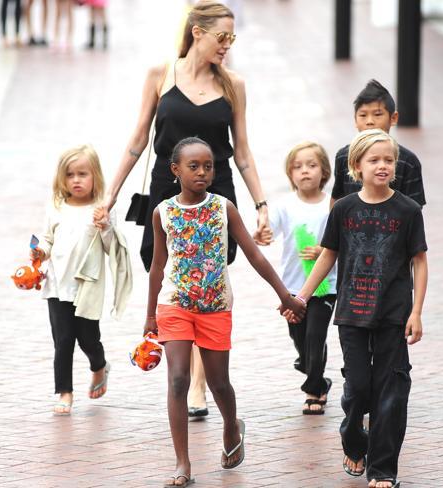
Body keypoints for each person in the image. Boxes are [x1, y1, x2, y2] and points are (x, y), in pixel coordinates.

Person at [96, 0, 271, 419]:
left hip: (216, 195)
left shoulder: (234, 84)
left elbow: (242, 152)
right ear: (197, 32)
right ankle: (182, 367)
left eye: (232, 37)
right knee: (172, 276)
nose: (227, 45)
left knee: (208, 279)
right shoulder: (161, 75)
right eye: (221, 36)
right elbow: (138, 140)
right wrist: (111, 194)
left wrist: (261, 205)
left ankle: (196, 382)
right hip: (166, 190)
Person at [145, 137, 305, 487]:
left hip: (215, 307)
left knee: (219, 383)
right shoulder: (163, 212)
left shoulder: (223, 208)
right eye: (193, 166)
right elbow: (158, 266)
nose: (202, 172)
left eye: (208, 166)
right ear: (175, 170)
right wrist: (150, 316)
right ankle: (182, 462)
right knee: (177, 380)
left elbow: (255, 255)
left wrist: (286, 295)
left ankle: (232, 426)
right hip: (175, 305)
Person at [285, 129, 428, 488]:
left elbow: (420, 262)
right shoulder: (344, 209)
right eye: (374, 160)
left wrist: (417, 312)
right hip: (351, 313)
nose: (383, 166)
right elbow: (328, 255)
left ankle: (383, 469)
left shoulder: (408, 210)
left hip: (394, 314)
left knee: (391, 391)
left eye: (388, 160)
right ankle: (353, 440)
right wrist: (301, 298)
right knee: (357, 389)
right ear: (356, 167)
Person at [31, 144, 132, 415]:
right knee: (63, 341)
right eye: (70, 175)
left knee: (88, 339)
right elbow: (47, 239)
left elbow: (112, 247)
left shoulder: (101, 208)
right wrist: (40, 251)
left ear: (95, 176)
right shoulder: (56, 207)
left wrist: (106, 226)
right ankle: (65, 392)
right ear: (61, 179)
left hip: (87, 287)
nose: (76, 180)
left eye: (83, 174)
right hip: (57, 286)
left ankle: (99, 366)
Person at [254, 142, 337, 415]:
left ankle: (314, 391)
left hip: (325, 286)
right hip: (292, 287)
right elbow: (269, 233)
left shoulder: (332, 205)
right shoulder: (285, 206)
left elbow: (342, 241)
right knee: (300, 340)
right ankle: (316, 374)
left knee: (315, 336)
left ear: (323, 171)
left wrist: (323, 250)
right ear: (290, 173)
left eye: (312, 166)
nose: (305, 172)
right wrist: (261, 234)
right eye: (298, 167)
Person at [331, 79, 426, 208]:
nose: (370, 121)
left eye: (377, 114)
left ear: (393, 118)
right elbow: (337, 199)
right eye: (363, 115)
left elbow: (414, 211)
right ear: (355, 119)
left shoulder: (408, 161)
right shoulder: (344, 156)